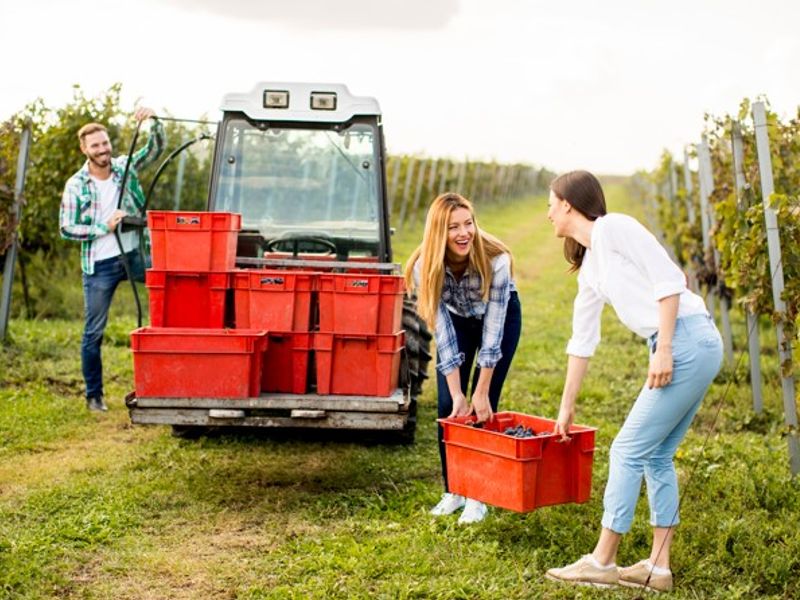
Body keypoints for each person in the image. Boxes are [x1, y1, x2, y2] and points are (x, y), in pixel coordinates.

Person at [543, 171, 722, 592]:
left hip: (685, 339)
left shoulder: (614, 228)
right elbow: (582, 340)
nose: (547, 212)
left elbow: (669, 279)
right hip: (685, 342)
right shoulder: (591, 267)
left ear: (568, 203)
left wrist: (664, 349)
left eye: (550, 202)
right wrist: (566, 406)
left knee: (626, 449)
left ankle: (602, 561)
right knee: (656, 456)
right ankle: (658, 570)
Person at [404, 192, 522, 524]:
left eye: (468, 224)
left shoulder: (497, 259)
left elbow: (493, 331)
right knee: (448, 407)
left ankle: (479, 495)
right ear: (438, 232)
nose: (463, 233)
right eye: (453, 227)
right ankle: (455, 489)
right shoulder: (425, 267)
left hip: (498, 317)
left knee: (485, 406)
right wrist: (457, 393)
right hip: (457, 320)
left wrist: (479, 390)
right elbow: (443, 332)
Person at [60, 108, 165, 412]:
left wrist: (152, 121)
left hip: (134, 254)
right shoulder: (76, 185)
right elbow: (67, 227)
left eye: (105, 143)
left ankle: (167, 378)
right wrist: (102, 226)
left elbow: (155, 149)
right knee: (93, 332)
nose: (103, 149)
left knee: (171, 291)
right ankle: (94, 396)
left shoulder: (124, 167)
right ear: (85, 149)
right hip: (100, 264)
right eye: (95, 145)